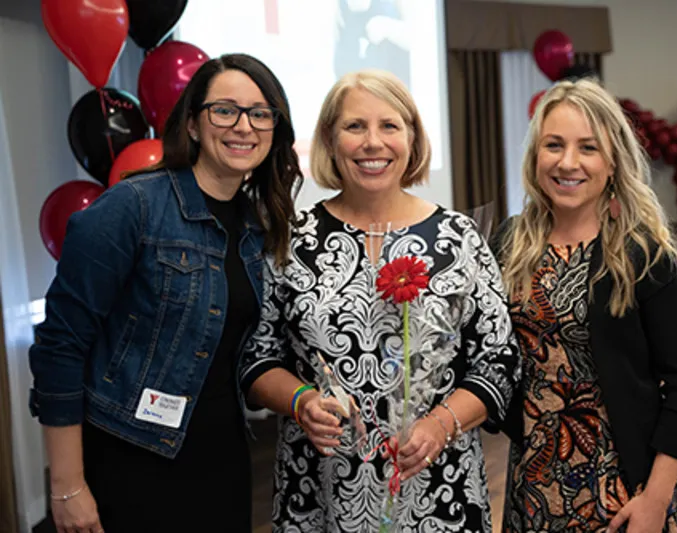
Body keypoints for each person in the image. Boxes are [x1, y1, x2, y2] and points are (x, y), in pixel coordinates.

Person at [28, 53, 302, 533]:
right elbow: (59, 346)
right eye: (225, 110)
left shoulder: (259, 229)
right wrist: (67, 486)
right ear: (193, 124)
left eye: (260, 113)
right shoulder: (133, 207)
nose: (244, 126)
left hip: (223, 461)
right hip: (129, 460)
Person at [241, 69, 520, 531]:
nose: (373, 142)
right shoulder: (290, 239)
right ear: (330, 139)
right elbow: (257, 355)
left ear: (412, 137)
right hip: (319, 494)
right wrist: (301, 400)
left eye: (389, 126)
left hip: (440, 492)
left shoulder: (459, 238)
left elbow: (499, 360)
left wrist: (441, 424)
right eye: (355, 126)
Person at [494, 78, 677, 533]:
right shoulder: (508, 244)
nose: (567, 162)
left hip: (623, 490)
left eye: (587, 148)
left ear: (612, 162)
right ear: (535, 156)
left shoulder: (643, 254)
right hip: (532, 486)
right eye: (554, 144)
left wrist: (655, 500)